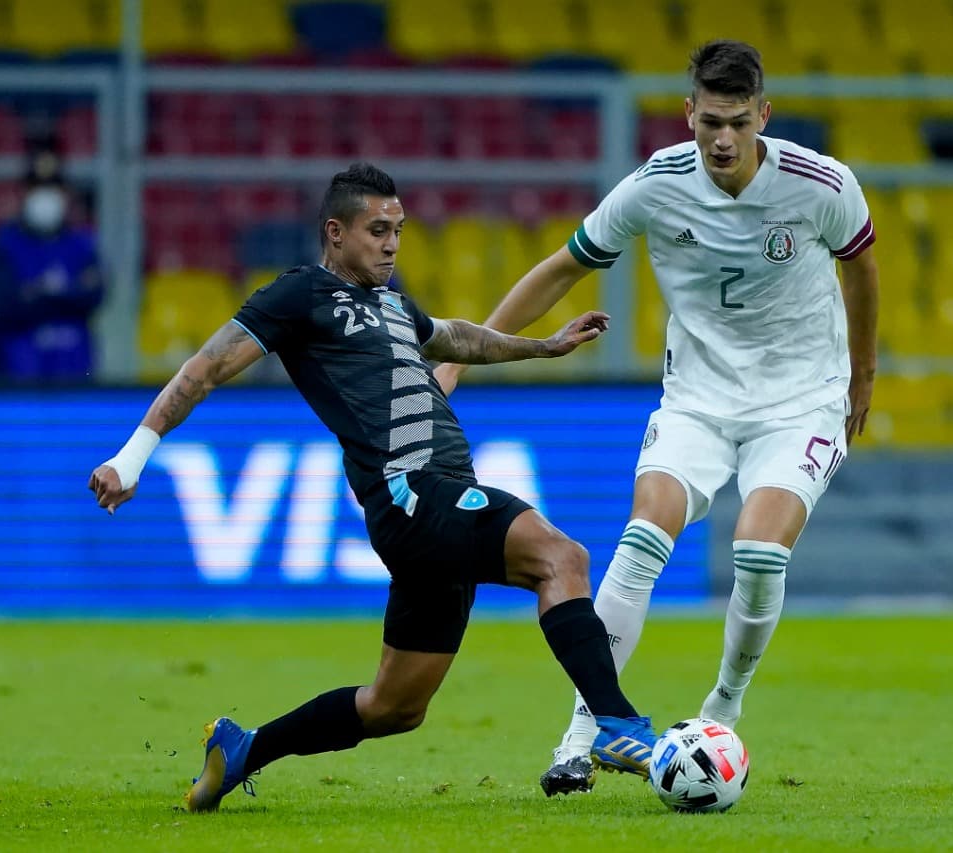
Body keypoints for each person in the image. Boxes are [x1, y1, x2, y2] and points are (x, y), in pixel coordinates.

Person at [87, 163, 656, 812]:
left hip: (432, 505)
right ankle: (616, 722)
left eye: (399, 231)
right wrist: (131, 457)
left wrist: (541, 347)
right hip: (412, 493)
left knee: (394, 707)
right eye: (377, 231)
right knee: (562, 557)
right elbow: (206, 368)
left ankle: (244, 748)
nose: (392, 245)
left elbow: (456, 337)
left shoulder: (393, 304)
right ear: (336, 233)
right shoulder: (300, 294)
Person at [436, 40, 881, 797]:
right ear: (688, 114)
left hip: (801, 399)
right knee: (643, 536)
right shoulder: (656, 185)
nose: (723, 140)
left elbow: (862, 266)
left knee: (758, 554)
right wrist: (459, 359)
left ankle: (722, 709)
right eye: (710, 122)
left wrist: (863, 375)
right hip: (697, 400)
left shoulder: (822, 184)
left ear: (764, 116)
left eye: (738, 122)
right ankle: (584, 736)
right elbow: (562, 267)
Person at [0, 148, 104, 382]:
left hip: (75, 377)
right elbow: (4, 306)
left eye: (53, 187)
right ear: (23, 192)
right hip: (15, 378)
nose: (46, 196)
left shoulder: (83, 245)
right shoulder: (2, 245)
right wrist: (68, 293)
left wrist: (36, 293)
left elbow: (95, 295)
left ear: (66, 193)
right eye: (37, 187)